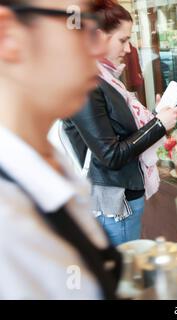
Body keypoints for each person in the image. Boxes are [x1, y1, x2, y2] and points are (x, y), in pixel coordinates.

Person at [0, 0, 123, 299]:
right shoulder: (7, 218)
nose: (98, 48)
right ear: (8, 36)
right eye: (79, 24)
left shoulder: (46, 165)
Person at [63, 0, 177, 246]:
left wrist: (157, 115)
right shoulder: (85, 83)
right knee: (125, 274)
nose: (128, 49)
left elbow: (118, 130)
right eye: (122, 40)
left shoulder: (104, 79)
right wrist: (158, 124)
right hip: (116, 204)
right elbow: (111, 154)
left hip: (124, 197)